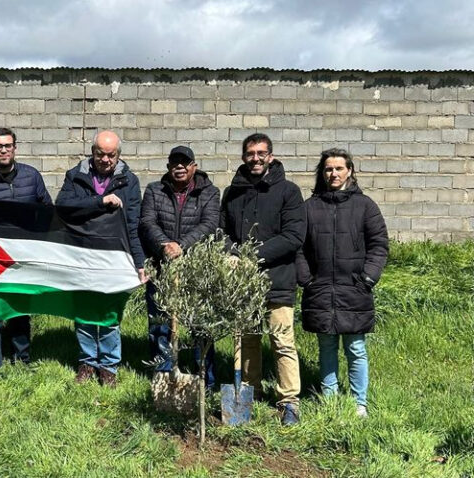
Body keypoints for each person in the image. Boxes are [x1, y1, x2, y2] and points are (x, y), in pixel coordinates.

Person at [219, 132, 305, 425]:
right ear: (243, 157)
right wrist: (233, 254)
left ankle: (289, 401)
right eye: (250, 153)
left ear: (270, 156)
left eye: (261, 153)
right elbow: (223, 233)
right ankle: (248, 393)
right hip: (243, 283)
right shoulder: (232, 193)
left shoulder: (288, 192)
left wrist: (251, 256)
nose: (255, 158)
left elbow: (293, 236)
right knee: (247, 340)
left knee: (282, 341)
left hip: (277, 279)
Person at [296, 148, 388, 418]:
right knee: (326, 347)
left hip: (354, 289)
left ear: (349, 170)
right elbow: (297, 247)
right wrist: (306, 279)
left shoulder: (365, 206)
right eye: (328, 169)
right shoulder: (309, 207)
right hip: (320, 289)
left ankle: (360, 403)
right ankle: (330, 399)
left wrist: (368, 278)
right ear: (321, 172)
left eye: (338, 168)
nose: (333, 173)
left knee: (355, 348)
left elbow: (379, 245)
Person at [56, 130, 146, 387]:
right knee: (84, 311)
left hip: (114, 257)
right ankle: (87, 362)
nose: (105, 159)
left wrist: (138, 263)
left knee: (108, 312)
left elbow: (132, 225)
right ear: (92, 152)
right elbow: (63, 206)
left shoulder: (130, 181)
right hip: (81, 254)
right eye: (100, 154)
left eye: (111, 155)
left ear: (119, 155)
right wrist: (100, 202)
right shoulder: (76, 176)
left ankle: (108, 366)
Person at [0, 128, 52, 379]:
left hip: (24, 257)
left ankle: (22, 359)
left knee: (20, 311)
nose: (3, 150)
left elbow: (47, 210)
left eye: (7, 145)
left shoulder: (32, 177)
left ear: (15, 148)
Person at [138, 145, 221, 384]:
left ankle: (206, 379)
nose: (180, 167)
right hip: (162, 268)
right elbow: (147, 222)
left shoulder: (209, 192)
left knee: (200, 326)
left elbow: (210, 224)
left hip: (196, 270)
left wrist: (181, 245)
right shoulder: (155, 190)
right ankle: (163, 376)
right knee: (160, 324)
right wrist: (165, 246)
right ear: (168, 167)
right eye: (175, 163)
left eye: (185, 163)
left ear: (194, 166)